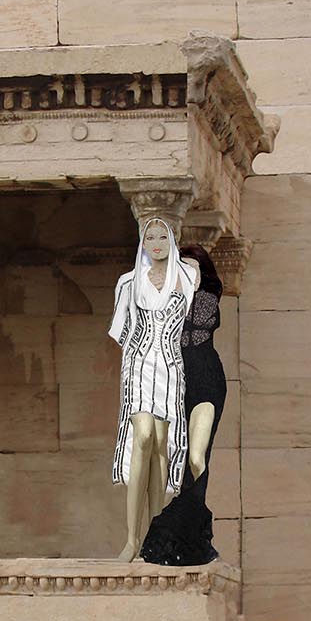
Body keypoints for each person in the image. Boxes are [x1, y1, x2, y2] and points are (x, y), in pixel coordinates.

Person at [109, 217, 199, 562]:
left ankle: (152, 537)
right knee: (143, 437)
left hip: (171, 368)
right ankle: (131, 539)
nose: (157, 243)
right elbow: (122, 331)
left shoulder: (186, 276)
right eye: (151, 237)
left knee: (161, 444)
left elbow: (199, 269)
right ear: (142, 242)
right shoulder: (129, 282)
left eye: (164, 236)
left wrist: (186, 258)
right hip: (139, 364)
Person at [139, 244, 227, 565]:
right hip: (177, 383)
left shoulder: (205, 299)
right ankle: (189, 529)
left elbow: (191, 326)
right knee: (175, 453)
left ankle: (191, 519)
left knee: (197, 455)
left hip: (205, 378)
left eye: (192, 269)